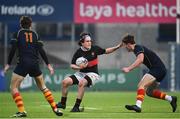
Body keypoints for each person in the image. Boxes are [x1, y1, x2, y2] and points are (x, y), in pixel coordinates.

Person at [3, 16, 63, 117]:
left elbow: (13, 49)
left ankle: (22, 111)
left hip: (23, 63)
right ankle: (55, 108)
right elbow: (41, 50)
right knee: (43, 87)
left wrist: (8, 64)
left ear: (20, 24)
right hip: (35, 63)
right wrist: (48, 64)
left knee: (13, 87)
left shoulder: (17, 33)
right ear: (30, 25)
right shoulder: (35, 34)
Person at [56, 32, 122, 112]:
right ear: (82, 42)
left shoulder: (95, 49)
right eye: (87, 41)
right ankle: (63, 103)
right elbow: (72, 65)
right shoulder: (78, 52)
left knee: (82, 83)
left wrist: (117, 47)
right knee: (65, 82)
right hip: (81, 73)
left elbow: (106, 51)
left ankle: (76, 107)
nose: (89, 42)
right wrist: (79, 67)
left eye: (90, 41)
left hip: (93, 74)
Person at [120, 34, 177, 113]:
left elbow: (140, 60)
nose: (125, 48)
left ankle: (138, 106)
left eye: (125, 46)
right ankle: (171, 99)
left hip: (157, 69)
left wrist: (128, 68)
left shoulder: (137, 48)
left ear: (129, 44)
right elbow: (140, 59)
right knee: (149, 92)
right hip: (161, 70)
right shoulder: (137, 48)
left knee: (141, 85)